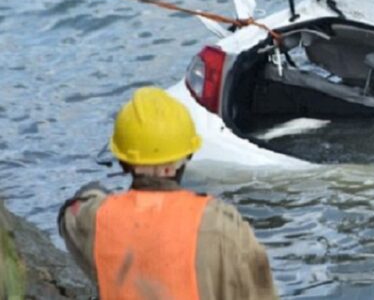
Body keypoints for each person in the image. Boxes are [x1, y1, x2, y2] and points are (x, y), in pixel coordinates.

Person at [57, 87, 278, 300]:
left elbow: (71, 212)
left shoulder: (94, 219)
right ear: (188, 154)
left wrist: (97, 193)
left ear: (123, 162)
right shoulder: (224, 226)